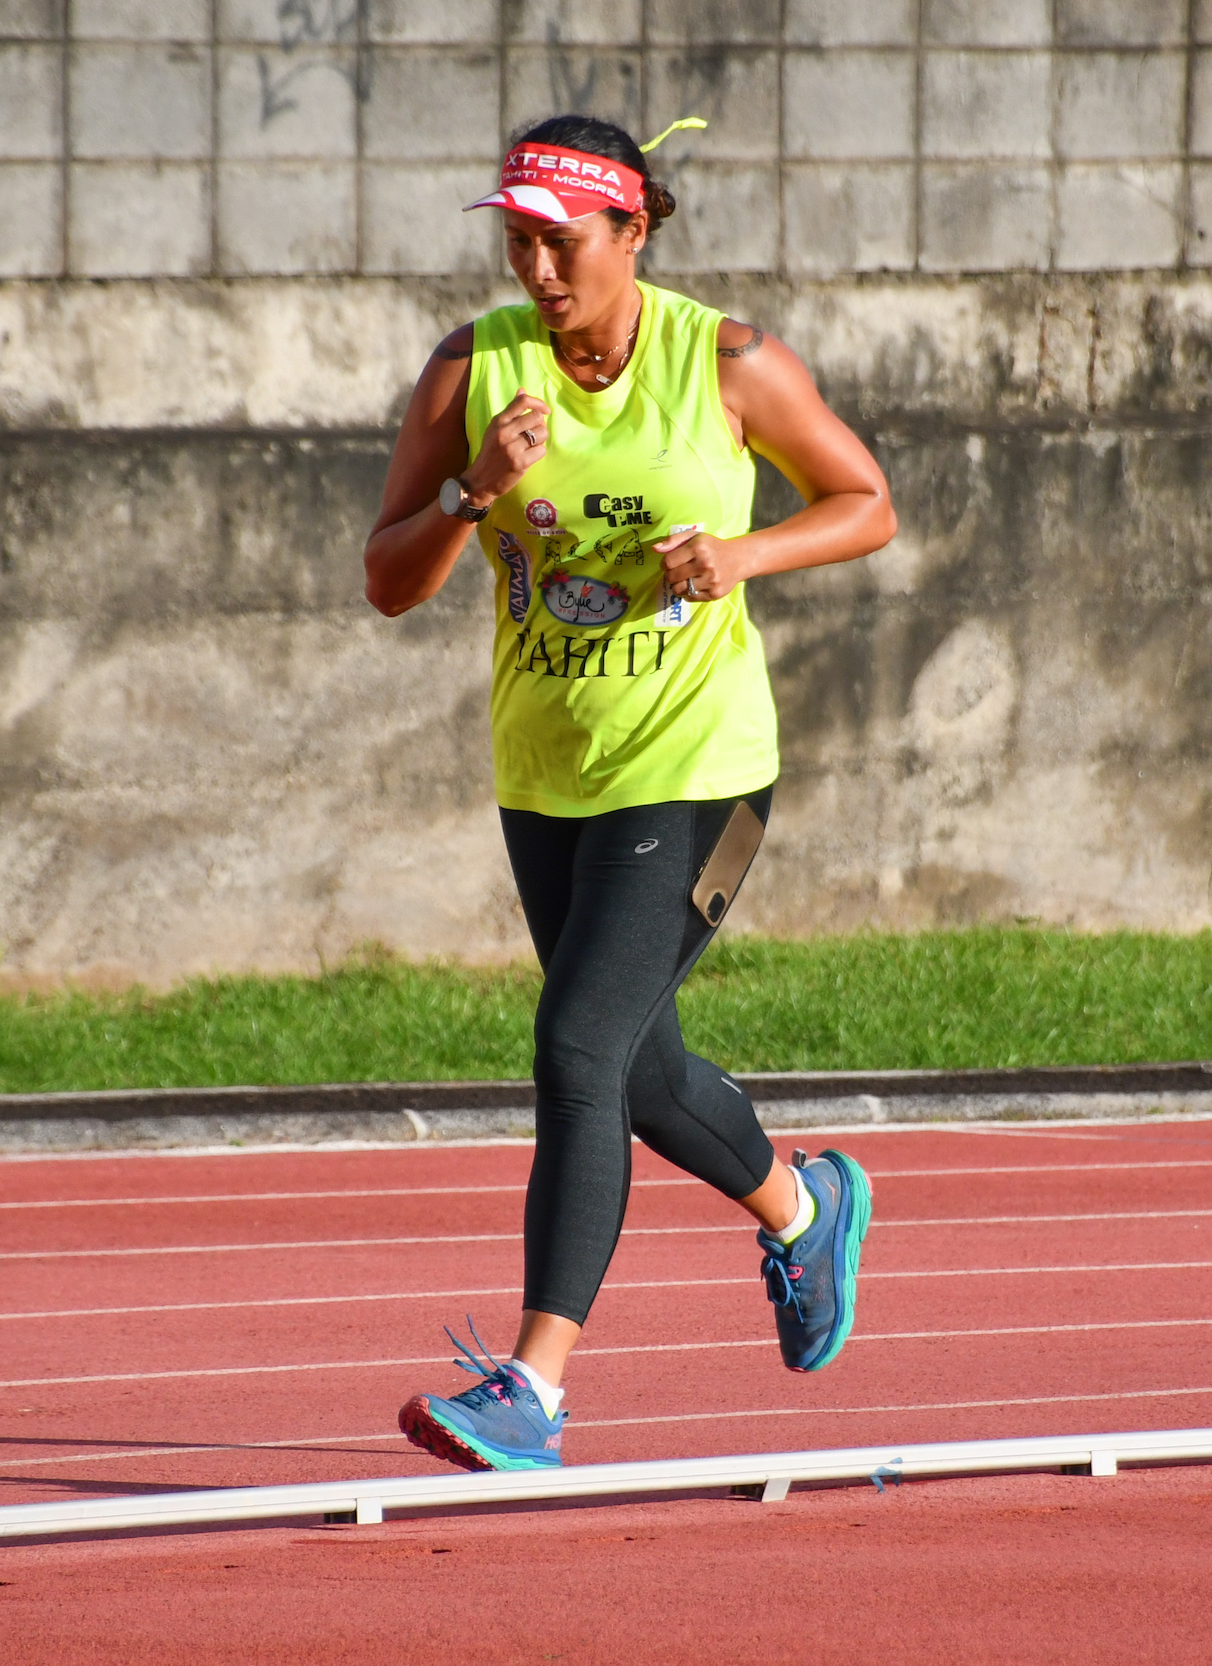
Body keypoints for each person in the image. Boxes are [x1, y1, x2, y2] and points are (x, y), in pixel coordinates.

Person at [363, 114, 899, 1471]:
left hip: (702, 764)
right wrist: (474, 496)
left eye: (563, 241)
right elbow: (386, 577)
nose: (538, 269)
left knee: (579, 1047)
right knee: (640, 1062)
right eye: (517, 240)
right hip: (549, 778)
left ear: (632, 233)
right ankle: (803, 1207)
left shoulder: (722, 361)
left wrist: (741, 552)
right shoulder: (467, 371)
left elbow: (868, 500)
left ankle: (532, 1392)